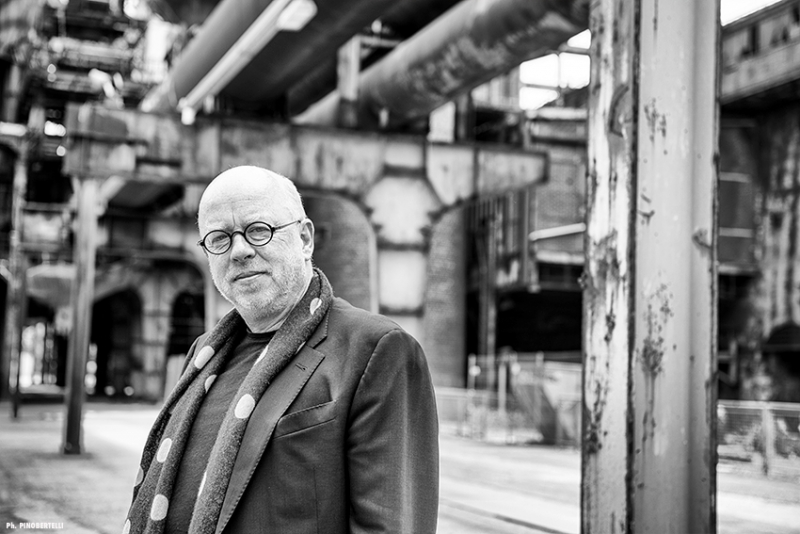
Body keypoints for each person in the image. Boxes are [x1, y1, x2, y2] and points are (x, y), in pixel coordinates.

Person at [123, 166, 439, 534]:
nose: (239, 251)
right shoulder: (203, 355)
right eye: (219, 238)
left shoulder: (376, 351)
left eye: (258, 230)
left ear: (305, 239)